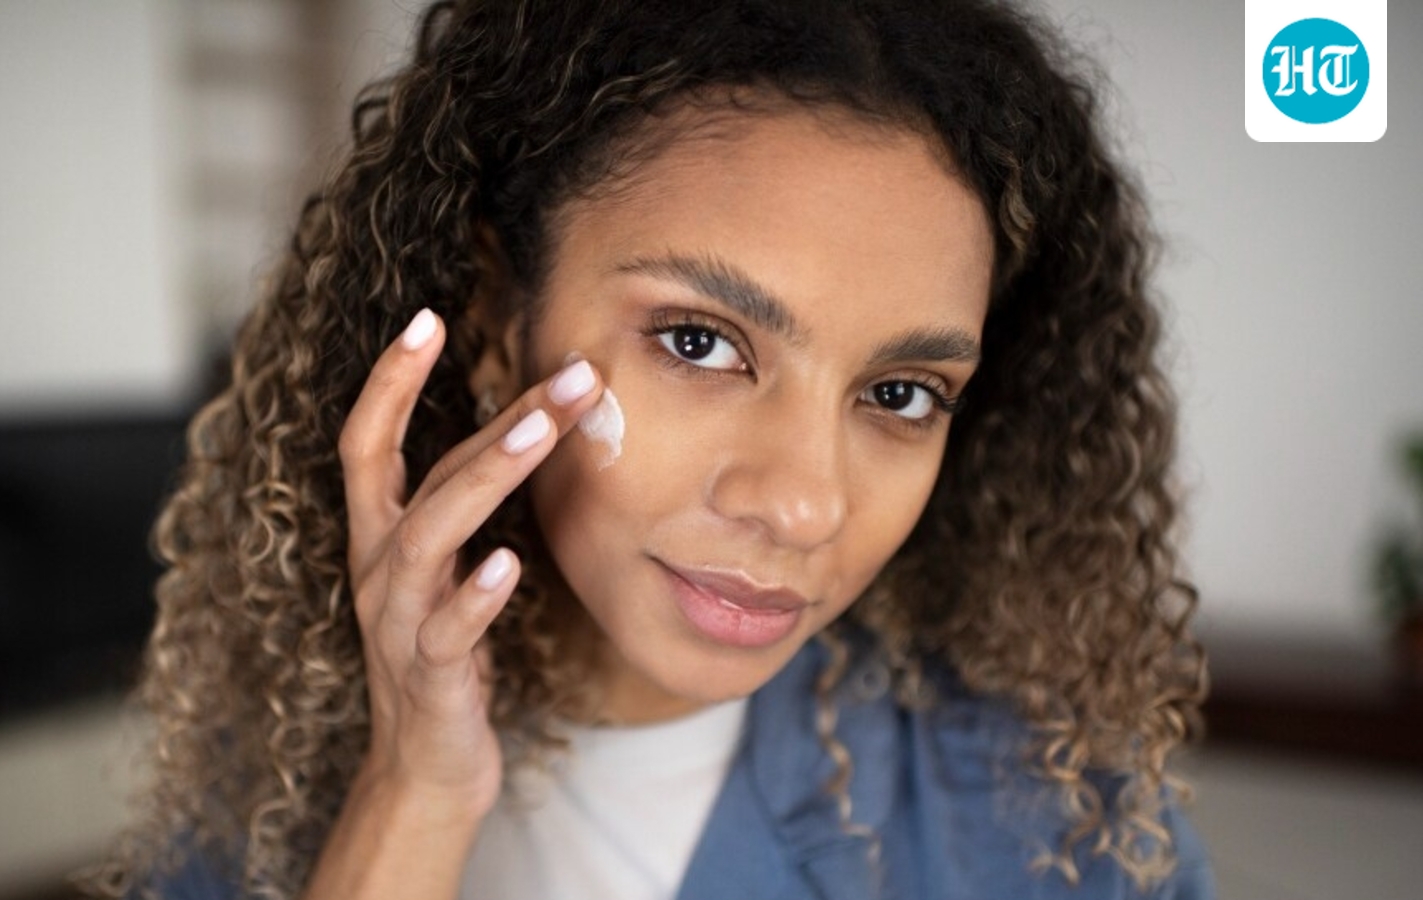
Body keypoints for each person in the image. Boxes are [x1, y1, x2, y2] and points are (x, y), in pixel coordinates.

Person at [81, 0, 1215, 898]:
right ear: (495, 317)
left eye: (900, 393)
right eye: (698, 341)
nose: (805, 504)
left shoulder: (1062, 839)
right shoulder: (269, 790)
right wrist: (411, 793)